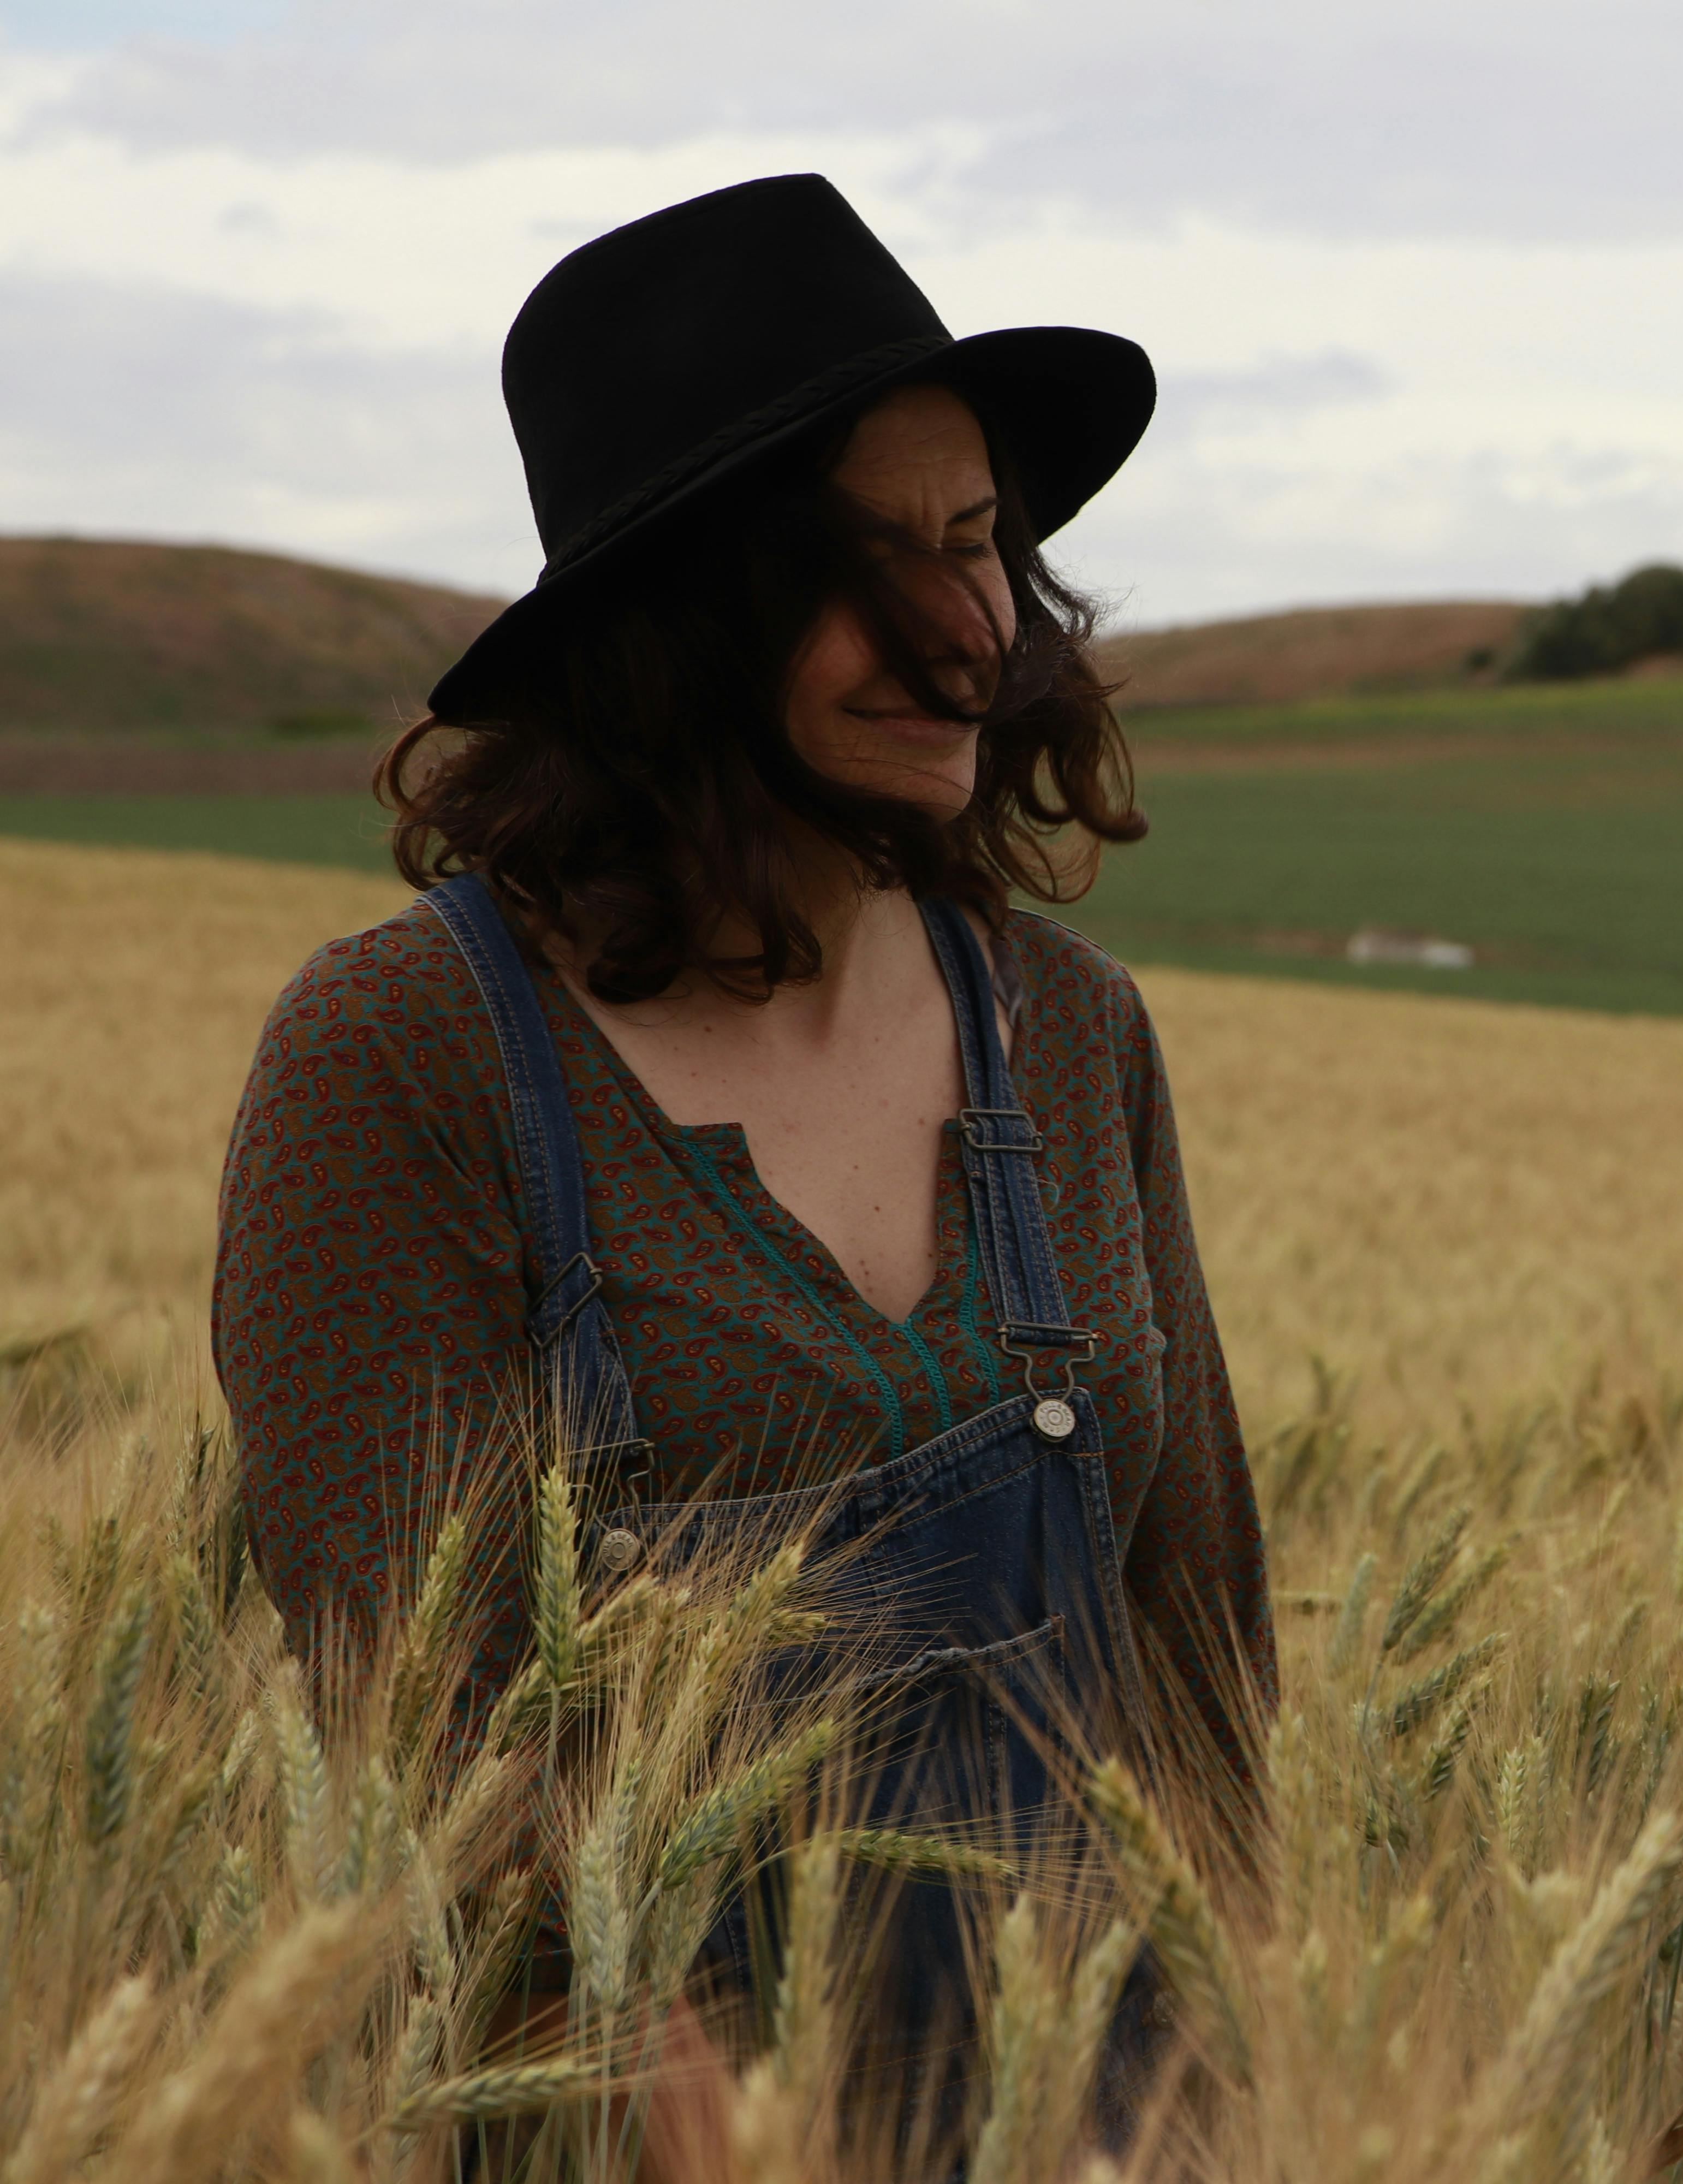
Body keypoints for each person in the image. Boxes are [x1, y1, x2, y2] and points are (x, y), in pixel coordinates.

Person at [210, 173, 1273, 2118]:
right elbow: (431, 1767)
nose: (967, 632)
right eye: (861, 570)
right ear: (675, 624)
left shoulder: (1073, 1032)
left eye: (981, 547)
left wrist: (1263, 2106)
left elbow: (1204, 1667)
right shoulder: (406, 1063)